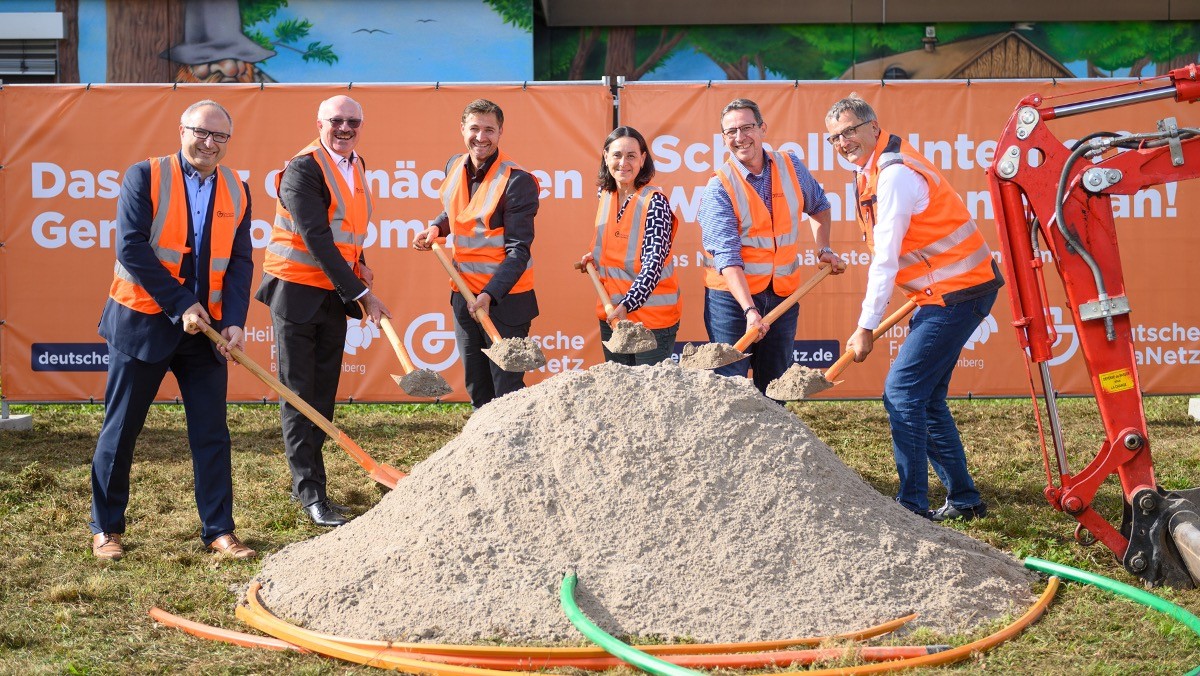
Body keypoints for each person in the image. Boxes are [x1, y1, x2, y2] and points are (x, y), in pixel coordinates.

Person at [824, 95, 1004, 522]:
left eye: (850, 131)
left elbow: (885, 259)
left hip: (958, 294)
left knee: (902, 393)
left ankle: (910, 507)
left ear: (872, 126)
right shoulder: (869, 170)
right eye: (834, 137)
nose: (843, 142)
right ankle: (964, 499)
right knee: (925, 398)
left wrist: (865, 325)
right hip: (946, 292)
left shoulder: (894, 176)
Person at [89, 100, 255, 561]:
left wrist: (236, 320)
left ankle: (219, 531)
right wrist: (181, 303)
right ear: (182, 130)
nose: (210, 143)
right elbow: (131, 248)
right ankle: (106, 528)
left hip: (207, 333)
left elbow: (241, 262)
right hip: (142, 322)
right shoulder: (144, 176)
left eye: (220, 136)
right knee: (121, 429)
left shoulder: (238, 189)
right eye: (202, 132)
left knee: (212, 433)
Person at [255, 95, 391, 528]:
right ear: (320, 123)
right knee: (300, 397)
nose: (345, 128)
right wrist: (361, 295)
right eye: (337, 121)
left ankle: (311, 483)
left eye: (353, 121)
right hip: (295, 293)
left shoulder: (356, 164)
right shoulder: (303, 167)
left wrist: (360, 262)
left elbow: (347, 227)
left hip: (331, 295)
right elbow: (315, 236)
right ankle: (311, 494)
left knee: (323, 397)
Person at [697, 98, 846, 396]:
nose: (740, 137)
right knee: (731, 386)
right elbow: (728, 258)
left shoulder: (790, 165)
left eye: (747, 127)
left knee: (776, 385)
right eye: (731, 132)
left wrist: (823, 248)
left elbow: (819, 206)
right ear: (724, 139)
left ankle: (773, 441)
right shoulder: (719, 187)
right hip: (732, 300)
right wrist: (749, 310)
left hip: (782, 295)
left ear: (762, 128)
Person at [413, 99, 539, 408]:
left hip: (505, 303)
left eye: (489, 130)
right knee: (478, 388)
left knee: (506, 391)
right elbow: (456, 211)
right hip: (463, 296)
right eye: (474, 129)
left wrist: (490, 295)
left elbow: (518, 251)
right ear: (462, 129)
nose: (481, 137)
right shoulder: (454, 165)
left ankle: (512, 453)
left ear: (500, 132)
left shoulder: (518, 182)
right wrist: (436, 228)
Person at [577, 126, 681, 365]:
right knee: (620, 395)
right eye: (616, 155)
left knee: (648, 397)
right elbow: (613, 245)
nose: (623, 162)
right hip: (613, 315)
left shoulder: (654, 204)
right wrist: (593, 257)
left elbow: (653, 264)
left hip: (651, 322)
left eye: (631, 156)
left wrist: (627, 305)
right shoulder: (604, 195)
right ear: (605, 156)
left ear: (643, 159)